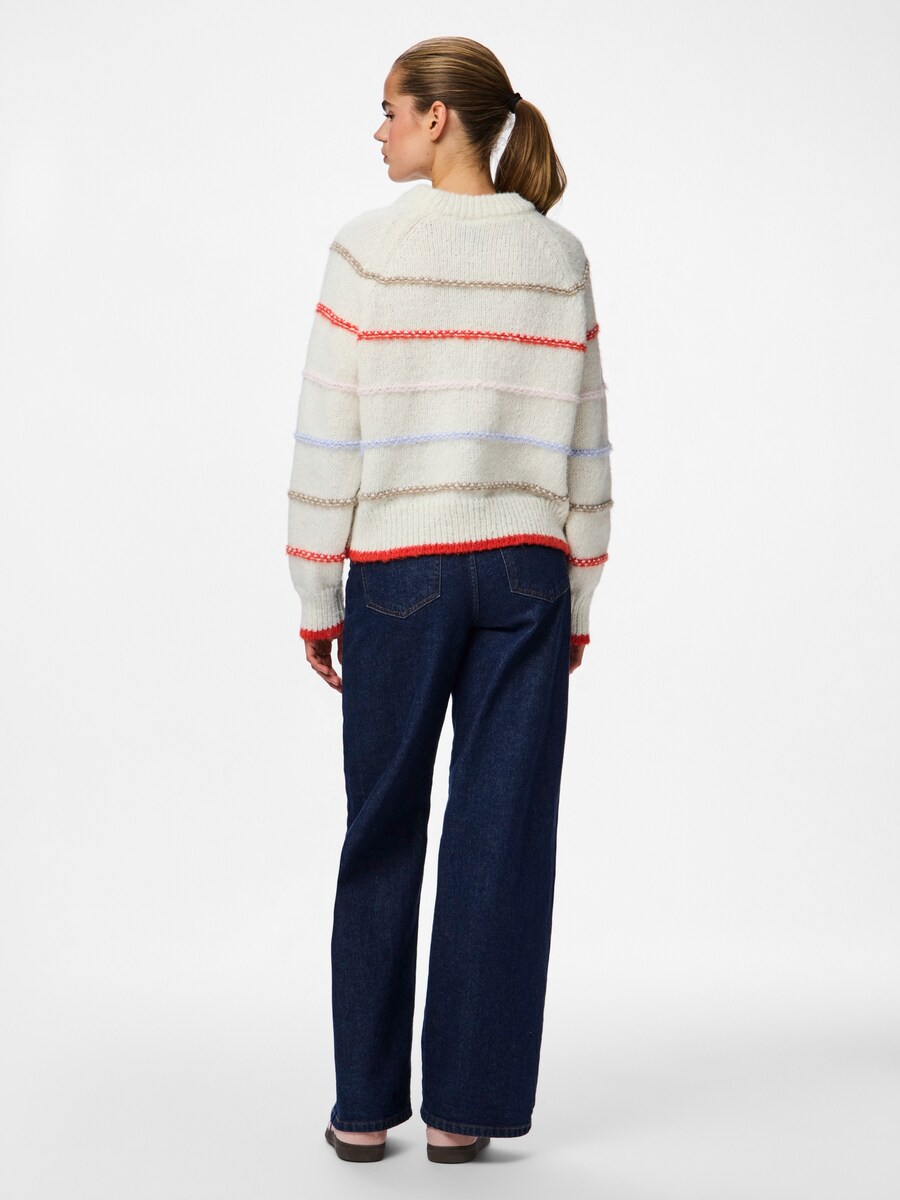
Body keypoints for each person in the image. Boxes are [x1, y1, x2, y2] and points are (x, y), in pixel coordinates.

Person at [285, 36, 614, 1164]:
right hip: (525, 571)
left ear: (438, 118)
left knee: (382, 829)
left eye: (388, 109)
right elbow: (587, 442)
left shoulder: (368, 250)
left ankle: (363, 1107)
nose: (377, 130)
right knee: (500, 838)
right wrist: (577, 596)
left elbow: (328, 429)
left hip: (399, 574)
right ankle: (464, 1110)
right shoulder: (558, 255)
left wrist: (315, 587)